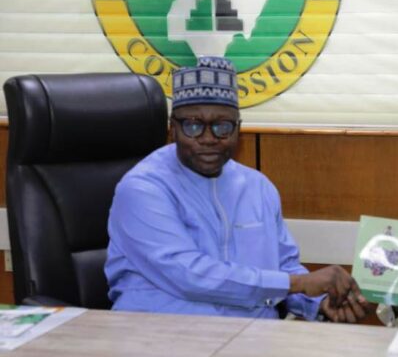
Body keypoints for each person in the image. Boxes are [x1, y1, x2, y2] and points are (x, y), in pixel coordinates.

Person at [105, 56, 368, 323]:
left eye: (222, 127)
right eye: (193, 126)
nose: (208, 139)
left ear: (238, 129)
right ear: (173, 129)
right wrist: (297, 284)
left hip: (251, 341)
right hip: (159, 337)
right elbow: (189, 275)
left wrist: (318, 301)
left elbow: (283, 266)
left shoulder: (258, 187)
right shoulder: (142, 188)